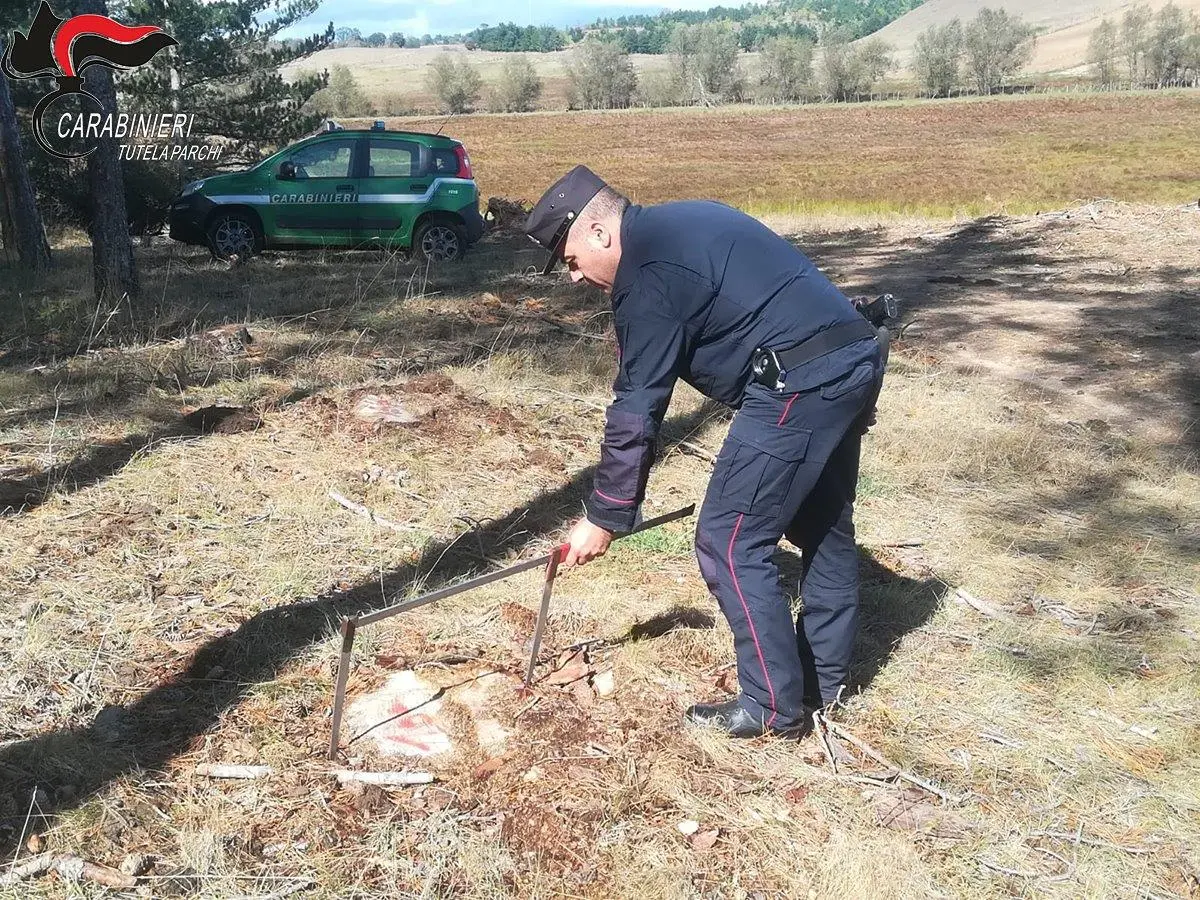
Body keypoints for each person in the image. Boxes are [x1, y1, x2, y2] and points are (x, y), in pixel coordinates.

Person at [524, 166, 884, 739]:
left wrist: (605, 513)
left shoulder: (646, 273)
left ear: (598, 233)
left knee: (730, 539)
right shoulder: (687, 217)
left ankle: (772, 706)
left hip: (800, 383)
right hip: (852, 355)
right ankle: (823, 682)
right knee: (824, 528)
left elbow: (638, 405)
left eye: (570, 261)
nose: (573, 278)